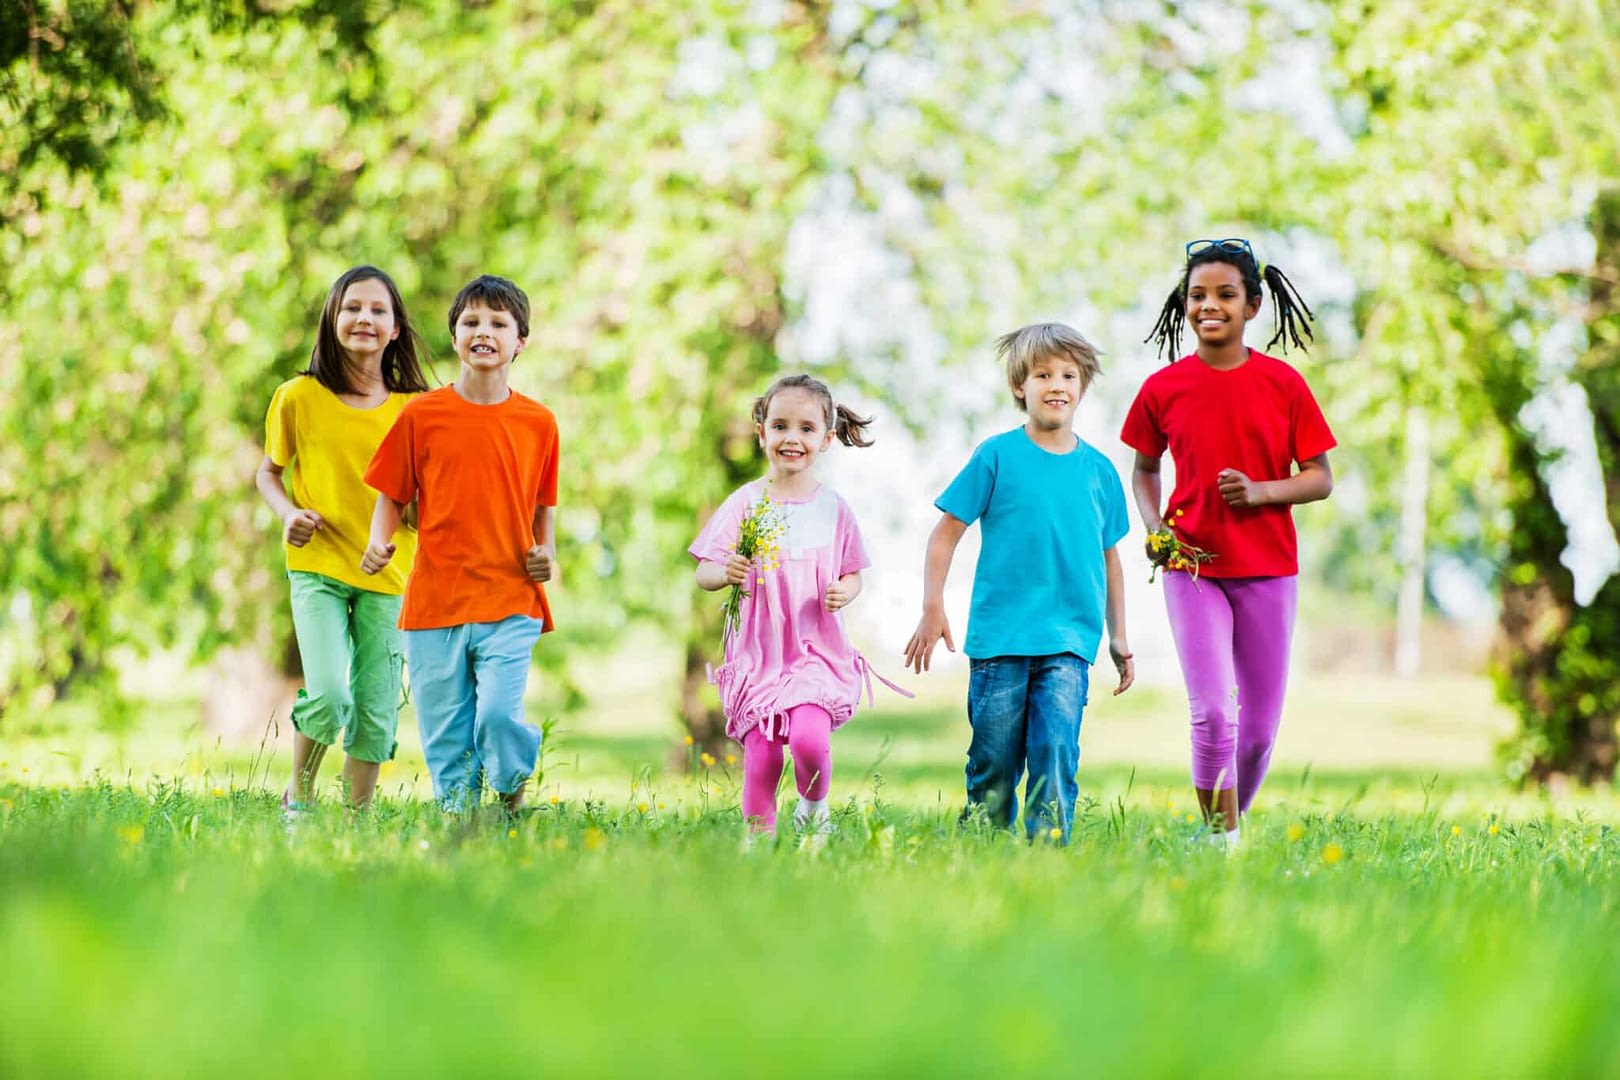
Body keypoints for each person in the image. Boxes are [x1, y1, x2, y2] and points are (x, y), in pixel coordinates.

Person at [1121, 237, 1335, 850]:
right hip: (1192, 567)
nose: (1208, 305)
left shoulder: (1283, 384)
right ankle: (1222, 843)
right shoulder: (1164, 388)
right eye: (1196, 295)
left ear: (1253, 305)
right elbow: (1143, 468)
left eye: (1224, 294)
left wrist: (1262, 492)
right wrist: (1155, 526)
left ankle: (1219, 828)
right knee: (1214, 712)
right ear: (1183, 304)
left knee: (1260, 731)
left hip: (1269, 570)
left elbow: (1320, 477)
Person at [904, 323, 1133, 843]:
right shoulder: (996, 455)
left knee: (1055, 755)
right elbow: (945, 534)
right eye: (1043, 374)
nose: (1057, 384)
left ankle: (1046, 858)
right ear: (1019, 387)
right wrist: (932, 606)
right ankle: (982, 852)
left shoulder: (1100, 471)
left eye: (1069, 375)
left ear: (1083, 385)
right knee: (993, 764)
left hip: (1069, 642)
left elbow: (1111, 561)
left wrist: (1119, 637)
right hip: (999, 641)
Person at [361, 274, 559, 814]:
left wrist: (548, 554)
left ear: (520, 341)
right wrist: (380, 545)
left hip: (510, 597)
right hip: (434, 602)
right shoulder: (422, 415)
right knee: (445, 732)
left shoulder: (539, 423)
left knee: (497, 714)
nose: (483, 331)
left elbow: (544, 506)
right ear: (454, 337)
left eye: (498, 323)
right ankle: (461, 824)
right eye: (471, 321)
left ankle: (512, 787)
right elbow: (391, 496)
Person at [691, 374, 900, 838]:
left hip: (814, 653)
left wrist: (846, 590)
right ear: (762, 432)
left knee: (808, 739)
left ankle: (813, 807)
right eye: (780, 425)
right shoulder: (746, 503)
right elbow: (703, 570)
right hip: (759, 656)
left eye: (806, 428)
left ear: (826, 439)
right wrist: (724, 572)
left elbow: (853, 572)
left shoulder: (834, 509)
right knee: (762, 754)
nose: (792, 438)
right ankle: (757, 842)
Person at [256, 265, 432, 815]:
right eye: (353, 307)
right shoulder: (297, 397)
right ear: (333, 317)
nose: (365, 319)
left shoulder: (415, 410)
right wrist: (287, 513)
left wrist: (415, 516)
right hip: (318, 567)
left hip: (390, 574)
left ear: (397, 328)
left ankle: (356, 822)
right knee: (330, 694)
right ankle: (300, 802)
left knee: (377, 707)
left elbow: (426, 500)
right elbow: (268, 473)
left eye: (379, 310)